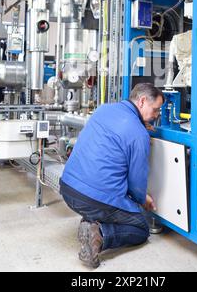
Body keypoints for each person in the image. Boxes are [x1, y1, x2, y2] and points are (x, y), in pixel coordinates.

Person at [59, 83, 164, 268]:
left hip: (68, 190)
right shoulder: (139, 134)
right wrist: (143, 199)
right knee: (141, 227)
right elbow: (136, 182)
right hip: (94, 199)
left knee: (109, 202)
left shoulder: (104, 110)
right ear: (142, 101)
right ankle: (99, 234)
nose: (156, 116)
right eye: (155, 110)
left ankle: (92, 220)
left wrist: (140, 125)